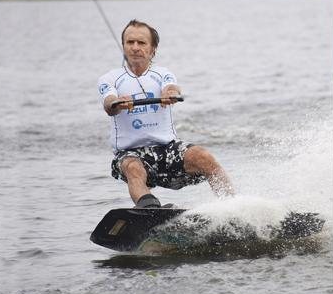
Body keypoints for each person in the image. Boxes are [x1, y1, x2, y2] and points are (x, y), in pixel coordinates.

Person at [97, 19, 234, 208]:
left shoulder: (162, 74)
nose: (135, 47)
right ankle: (151, 211)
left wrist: (170, 93)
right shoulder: (109, 79)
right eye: (130, 42)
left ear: (152, 49)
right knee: (133, 167)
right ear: (123, 46)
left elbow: (172, 87)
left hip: (166, 149)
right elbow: (108, 103)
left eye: (142, 43)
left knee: (203, 156)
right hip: (129, 154)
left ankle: (233, 206)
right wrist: (117, 103)